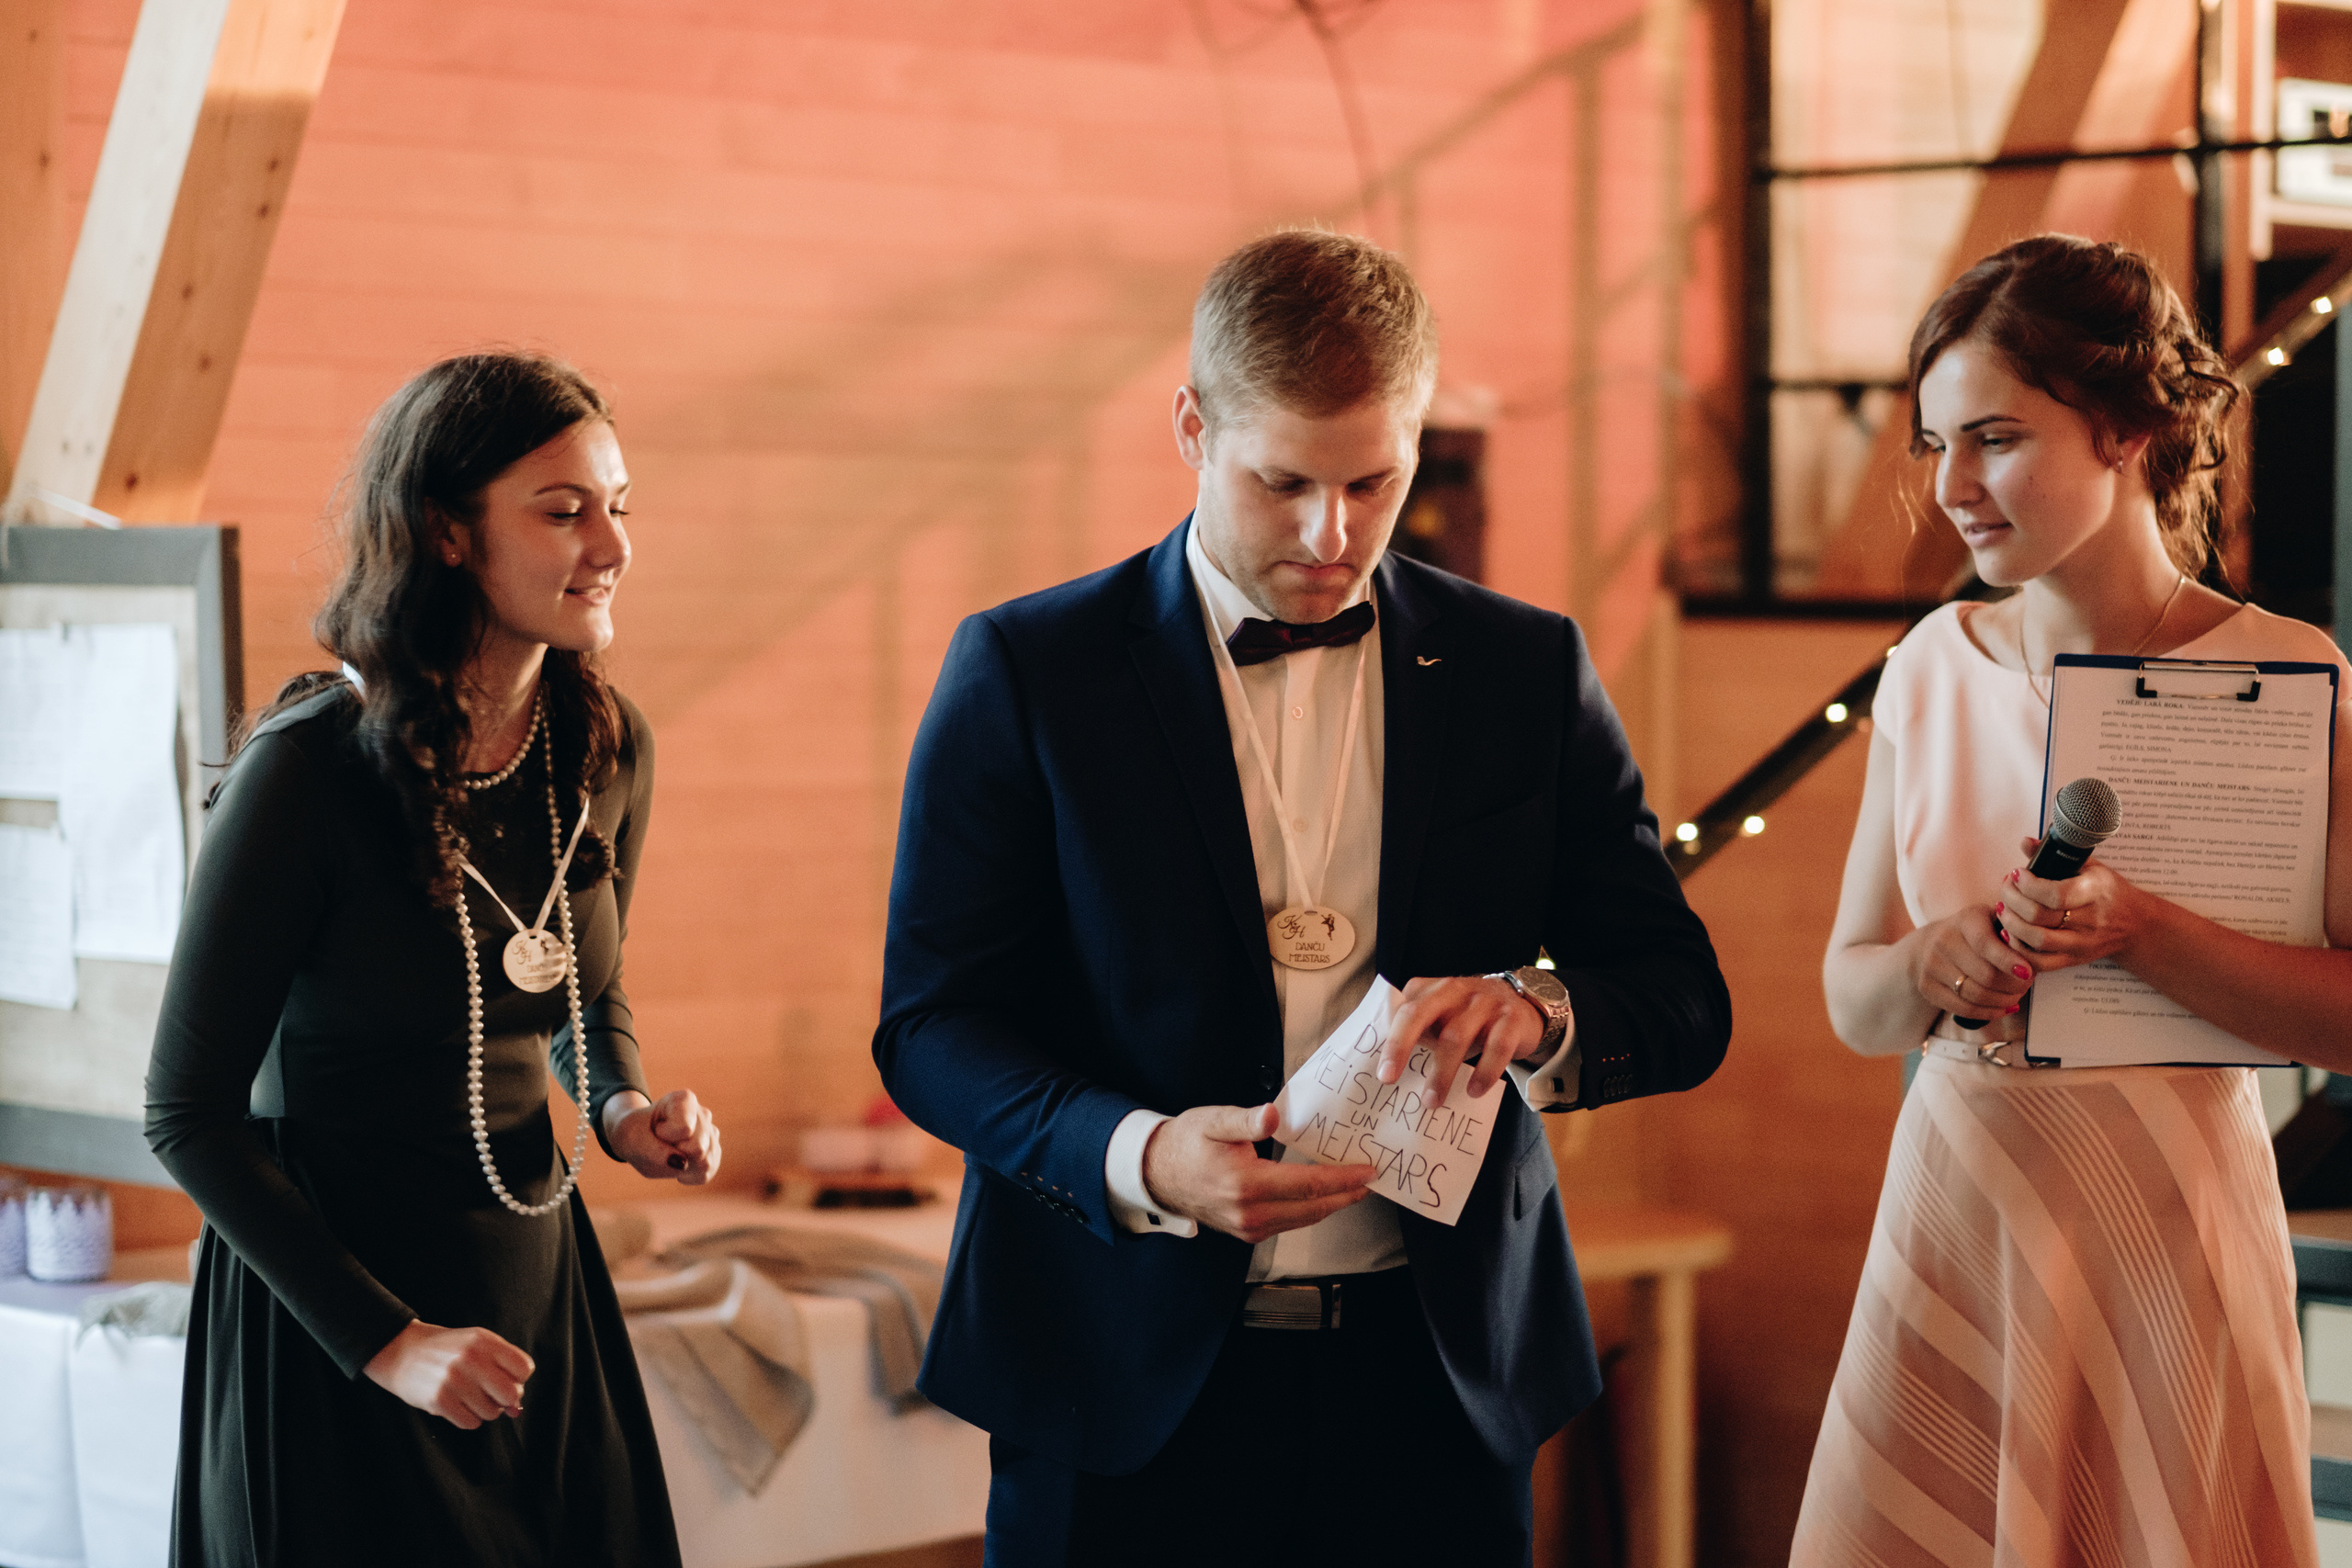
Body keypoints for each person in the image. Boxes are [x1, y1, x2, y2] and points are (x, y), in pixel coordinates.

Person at [874, 229, 1731, 1564]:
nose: (1333, 536)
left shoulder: (1524, 668)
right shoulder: (1031, 672)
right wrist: (1139, 1155)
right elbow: (930, 1029)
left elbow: (1679, 998)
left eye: (1375, 483)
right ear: (1190, 427)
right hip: (1119, 1380)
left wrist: (1539, 1012)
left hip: (1437, 1388)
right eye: (1282, 483)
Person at [1796, 234, 2352, 1565]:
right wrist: (1929, 962)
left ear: (2127, 427)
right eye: (1936, 445)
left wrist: (2144, 932)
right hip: (1961, 1204)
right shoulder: (1929, 666)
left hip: (2171, 1220)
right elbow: (1851, 1002)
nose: (1954, 488)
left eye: (1993, 437)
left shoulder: (2285, 672)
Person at [145, 352, 722, 1566]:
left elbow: (577, 980)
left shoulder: (606, 750)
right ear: (444, 533)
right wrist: (388, 1343)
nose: (610, 548)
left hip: (535, 1294)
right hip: (335, 1323)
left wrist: (616, 1102)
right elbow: (187, 1113)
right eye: (563, 512)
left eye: (619, 508)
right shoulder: (308, 773)